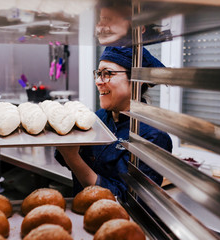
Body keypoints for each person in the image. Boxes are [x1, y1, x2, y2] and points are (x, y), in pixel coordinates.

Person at [55, 46, 172, 200]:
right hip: (82, 215)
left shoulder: (153, 137)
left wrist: (73, 158)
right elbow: (64, 159)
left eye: (107, 74)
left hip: (117, 221)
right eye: (98, 74)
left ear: (137, 81)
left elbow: (126, 200)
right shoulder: (99, 117)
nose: (98, 81)